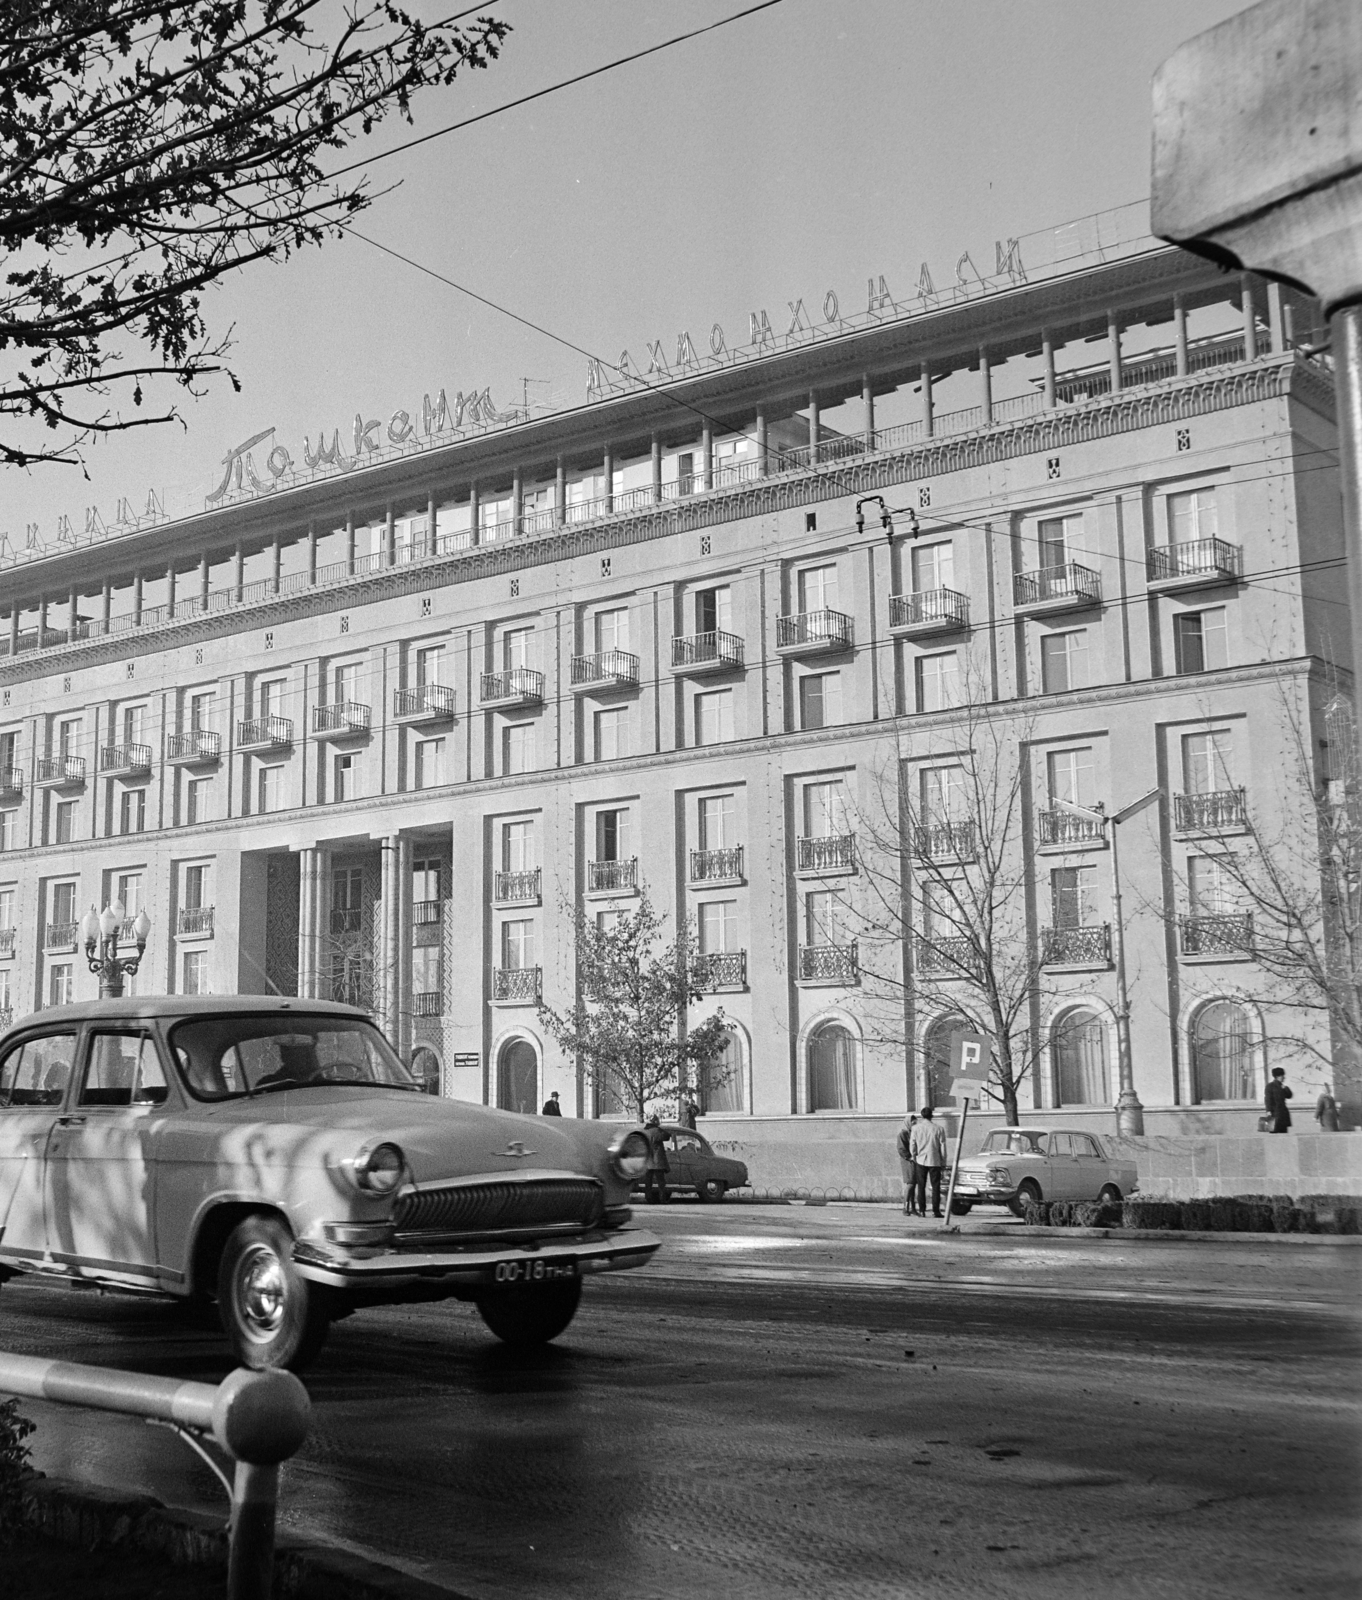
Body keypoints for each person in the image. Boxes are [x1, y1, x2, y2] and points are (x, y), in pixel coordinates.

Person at [908, 1105, 948, 1218]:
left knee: (921, 1186)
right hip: (934, 1160)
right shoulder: (939, 1129)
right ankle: (936, 1211)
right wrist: (943, 1161)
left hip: (920, 1159)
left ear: (921, 1115)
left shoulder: (916, 1128)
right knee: (936, 1186)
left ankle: (922, 1210)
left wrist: (914, 1155)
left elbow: (912, 1144)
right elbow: (943, 1147)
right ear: (932, 1116)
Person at [896, 1114, 919, 1216]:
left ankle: (913, 1207)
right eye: (913, 1123)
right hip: (908, 1161)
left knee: (913, 1184)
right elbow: (901, 1148)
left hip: (915, 1160)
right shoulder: (902, 1134)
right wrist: (909, 1157)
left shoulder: (914, 1133)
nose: (914, 1125)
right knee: (910, 1184)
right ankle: (905, 1207)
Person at [643, 1114, 669, 1203]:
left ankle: (648, 1198)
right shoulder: (658, 1131)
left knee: (648, 1181)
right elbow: (667, 1136)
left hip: (649, 1160)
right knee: (661, 1182)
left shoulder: (645, 1132)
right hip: (658, 1161)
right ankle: (662, 1199)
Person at [1265, 1067, 1293, 1133]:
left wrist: (1285, 1088)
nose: (1284, 1077)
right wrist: (1268, 1111)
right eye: (1282, 1075)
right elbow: (1268, 1099)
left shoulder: (1282, 1086)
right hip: (1274, 1113)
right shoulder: (1270, 1086)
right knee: (1274, 1133)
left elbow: (1289, 1096)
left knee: (1283, 1133)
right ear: (1278, 1076)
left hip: (1282, 1114)